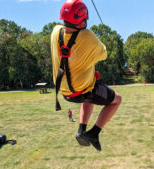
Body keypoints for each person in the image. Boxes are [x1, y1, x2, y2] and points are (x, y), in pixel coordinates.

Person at [50, 0, 122, 151]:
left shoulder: (55, 32)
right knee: (116, 100)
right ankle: (94, 133)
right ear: (82, 23)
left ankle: (81, 130)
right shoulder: (88, 37)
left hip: (64, 92)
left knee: (89, 96)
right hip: (84, 90)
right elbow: (103, 54)